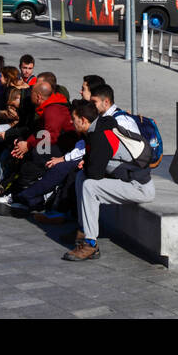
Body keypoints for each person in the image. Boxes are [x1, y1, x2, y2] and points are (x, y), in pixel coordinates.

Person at [64, 83, 154, 261]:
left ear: (83, 120)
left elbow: (95, 174)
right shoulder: (98, 127)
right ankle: (83, 233)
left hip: (139, 187)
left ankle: (91, 245)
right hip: (126, 180)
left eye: (73, 119)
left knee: (89, 185)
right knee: (82, 177)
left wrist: (90, 163)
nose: (70, 122)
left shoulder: (100, 135)